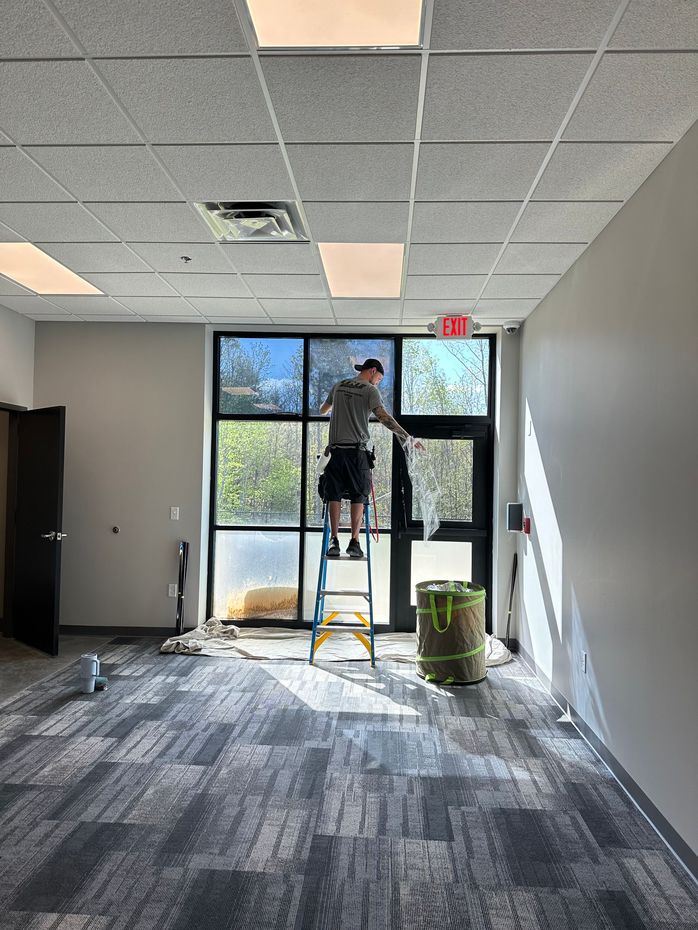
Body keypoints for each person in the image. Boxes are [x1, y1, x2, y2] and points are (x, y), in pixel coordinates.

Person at [319, 358, 422, 558]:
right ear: (373, 371)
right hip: (357, 454)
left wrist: (341, 407)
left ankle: (334, 541)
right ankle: (354, 542)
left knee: (334, 494)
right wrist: (406, 437)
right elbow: (383, 416)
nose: (377, 383)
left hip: (335, 452)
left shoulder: (339, 386)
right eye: (379, 379)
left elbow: (323, 409)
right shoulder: (369, 390)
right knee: (359, 495)